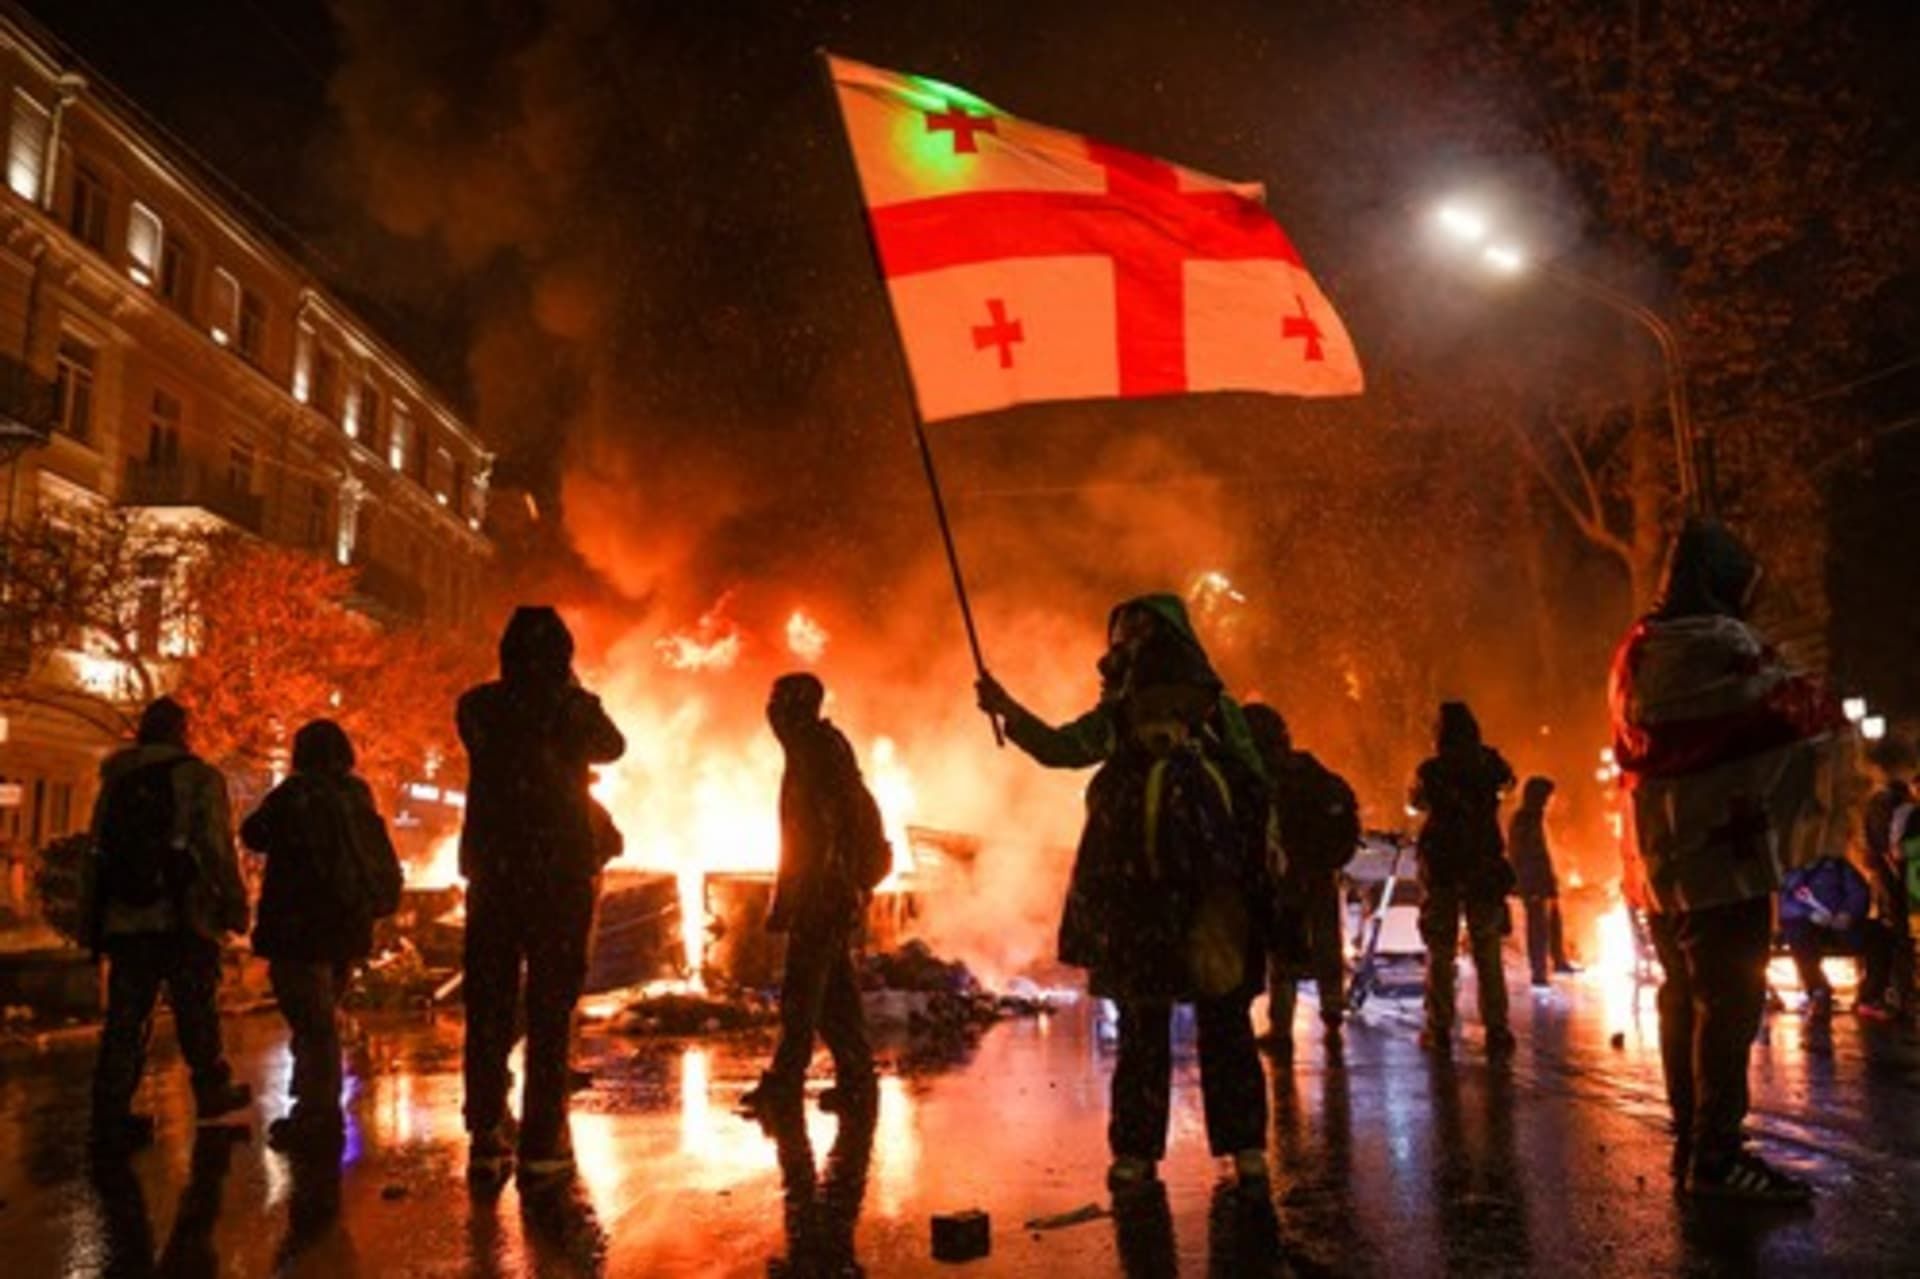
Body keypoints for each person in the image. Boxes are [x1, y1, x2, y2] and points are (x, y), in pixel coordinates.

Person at [978, 594, 1271, 1192]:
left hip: (1168, 897)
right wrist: (1009, 711)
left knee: (1169, 1026)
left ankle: (1176, 1152)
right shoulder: (1167, 708)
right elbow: (1253, 784)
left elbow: (1065, 749)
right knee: (1187, 1025)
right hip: (1186, 896)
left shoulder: (1166, 711)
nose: (1127, 641)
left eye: (1138, 629)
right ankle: (1225, 1151)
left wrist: (1008, 710)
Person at [1611, 517, 1848, 1201]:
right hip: (1722, 855)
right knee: (1730, 1001)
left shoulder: (1635, 649)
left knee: (1683, 996)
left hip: (1655, 863)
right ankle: (1716, 1157)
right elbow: (1792, 708)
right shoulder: (1720, 644)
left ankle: (1692, 1142)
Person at [458, 606, 626, 1184]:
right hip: (558, 874)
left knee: (488, 1004)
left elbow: (489, 740)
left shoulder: (478, 705)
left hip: (495, 872)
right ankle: (541, 1141)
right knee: (551, 1009)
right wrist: (570, 695)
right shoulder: (573, 709)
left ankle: (485, 1130)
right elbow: (613, 746)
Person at [85, 696, 253, 1154]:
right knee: (196, 1009)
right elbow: (217, 847)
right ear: (182, 731)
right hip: (184, 916)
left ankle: (110, 1113)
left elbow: (97, 849)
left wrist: (93, 916)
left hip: (126, 918)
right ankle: (212, 1094)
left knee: (126, 1017)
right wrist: (235, 904)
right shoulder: (198, 777)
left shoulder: (116, 778)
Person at [242, 719, 402, 1153]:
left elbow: (253, 833)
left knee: (313, 1024)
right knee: (321, 1016)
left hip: (300, 923)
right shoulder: (357, 793)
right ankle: (312, 1105)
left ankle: (319, 1114)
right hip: (346, 924)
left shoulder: (296, 794)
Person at [740, 673, 884, 1114]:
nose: (771, 712)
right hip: (825, 890)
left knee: (801, 994)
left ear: (797, 708)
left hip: (822, 892)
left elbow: (831, 831)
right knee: (835, 994)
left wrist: (826, 887)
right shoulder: (817, 749)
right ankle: (857, 1078)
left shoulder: (817, 754)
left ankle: (786, 1082)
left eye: (777, 702)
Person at [1242, 703, 1358, 1055]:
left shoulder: (1260, 779)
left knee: (1284, 948)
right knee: (1326, 939)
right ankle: (1333, 1006)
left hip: (1286, 877)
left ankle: (1281, 1026)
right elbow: (1344, 809)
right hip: (1320, 873)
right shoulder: (1312, 772)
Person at [1409, 701, 1516, 1055]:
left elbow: (1416, 803)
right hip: (1483, 864)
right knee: (1487, 948)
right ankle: (1497, 1028)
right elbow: (1508, 786)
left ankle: (1439, 1026)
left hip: (1442, 866)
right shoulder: (1490, 764)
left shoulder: (1432, 770)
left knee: (1441, 949)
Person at [1856, 739, 1915, 1020]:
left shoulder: (1878, 804)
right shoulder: (1900, 804)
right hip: (1902, 881)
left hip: (1892, 882)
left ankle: (1899, 996)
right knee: (1901, 938)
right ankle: (1902, 995)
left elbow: (1875, 846)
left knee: (1897, 937)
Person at [1778, 855, 1873, 1018]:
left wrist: (1849, 913)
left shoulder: (1839, 866)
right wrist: (1808, 913)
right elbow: (1785, 901)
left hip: (1840, 923)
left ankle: (1871, 996)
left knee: (1877, 935)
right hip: (1806, 925)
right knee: (1799, 938)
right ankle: (1818, 991)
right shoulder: (1792, 872)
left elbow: (1858, 891)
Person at [1507, 777, 1578, 988]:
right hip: (1533, 879)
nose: (1551, 801)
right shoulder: (1524, 819)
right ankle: (1539, 971)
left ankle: (1558, 960)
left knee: (1553, 921)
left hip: (1543, 878)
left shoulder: (1536, 818)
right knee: (1537, 925)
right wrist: (1527, 880)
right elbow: (1523, 852)